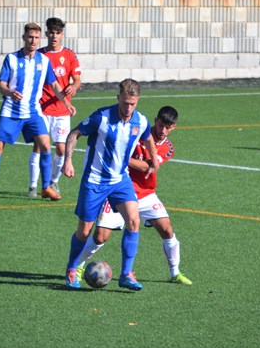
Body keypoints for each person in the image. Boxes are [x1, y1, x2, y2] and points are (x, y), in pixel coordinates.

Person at [76, 106, 192, 285]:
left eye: (168, 127)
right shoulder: (139, 133)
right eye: (161, 125)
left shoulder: (167, 148)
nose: (163, 130)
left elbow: (148, 166)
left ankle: (175, 273)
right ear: (155, 120)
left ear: (174, 127)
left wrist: (121, 157)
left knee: (167, 229)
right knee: (100, 237)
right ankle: (77, 266)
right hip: (118, 190)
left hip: (145, 193)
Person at [61, 78, 159, 291]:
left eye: (132, 104)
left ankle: (126, 274)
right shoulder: (102, 117)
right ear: (118, 99)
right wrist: (67, 161)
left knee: (134, 221)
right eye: (125, 103)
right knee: (84, 232)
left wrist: (154, 157)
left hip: (120, 181)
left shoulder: (140, 121)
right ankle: (71, 268)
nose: (128, 108)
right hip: (95, 181)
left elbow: (148, 137)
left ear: (138, 101)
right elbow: (74, 133)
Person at [0, 22, 76, 201]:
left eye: (36, 37)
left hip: (33, 112)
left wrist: (66, 103)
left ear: (40, 39)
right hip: (11, 111)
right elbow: (1, 84)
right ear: (24, 37)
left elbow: (53, 84)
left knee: (46, 145)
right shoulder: (12, 58)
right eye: (30, 37)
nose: (33, 40)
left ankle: (46, 187)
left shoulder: (44, 61)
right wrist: (9, 92)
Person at [27, 17, 82, 199]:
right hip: (41, 110)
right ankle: (33, 186)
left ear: (62, 34)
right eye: (51, 32)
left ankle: (52, 182)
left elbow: (77, 79)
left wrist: (74, 86)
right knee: (39, 147)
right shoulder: (40, 55)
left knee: (61, 149)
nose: (54, 36)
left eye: (57, 33)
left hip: (62, 110)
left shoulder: (69, 56)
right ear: (46, 34)